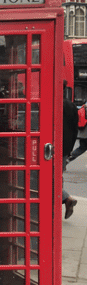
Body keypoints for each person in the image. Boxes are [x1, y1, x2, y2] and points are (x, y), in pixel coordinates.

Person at [63, 89, 79, 219]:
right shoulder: (71, 105)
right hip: (65, 147)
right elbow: (75, 129)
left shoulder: (52, 103)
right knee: (56, 176)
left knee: (47, 177)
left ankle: (66, 197)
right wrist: (69, 150)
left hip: (48, 146)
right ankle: (66, 199)